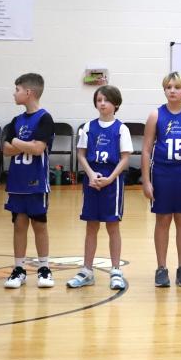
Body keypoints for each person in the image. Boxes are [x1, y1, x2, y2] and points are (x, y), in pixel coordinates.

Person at [141, 72, 181, 288]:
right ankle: (161, 268)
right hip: (161, 174)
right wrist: (146, 180)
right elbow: (146, 150)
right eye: (169, 87)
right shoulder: (155, 115)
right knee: (162, 221)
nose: (172, 90)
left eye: (177, 87)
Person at [67, 85, 132, 291]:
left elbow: (125, 158)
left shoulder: (121, 129)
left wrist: (111, 178)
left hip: (112, 183)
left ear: (116, 104)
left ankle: (115, 271)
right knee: (91, 226)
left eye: (106, 100)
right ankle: (87, 271)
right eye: (99, 100)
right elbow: (81, 154)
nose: (102, 103)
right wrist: (90, 174)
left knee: (113, 226)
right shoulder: (88, 127)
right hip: (92, 181)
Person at [2, 74, 55, 289]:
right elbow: (5, 151)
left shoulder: (45, 118)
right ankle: (19, 269)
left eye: (16, 89)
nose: (14, 93)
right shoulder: (16, 120)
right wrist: (24, 144)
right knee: (19, 224)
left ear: (28, 92)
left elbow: (37, 148)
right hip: (16, 182)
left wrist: (14, 140)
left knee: (39, 224)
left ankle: (44, 268)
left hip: (36, 182)